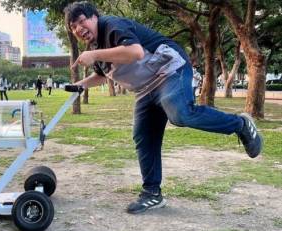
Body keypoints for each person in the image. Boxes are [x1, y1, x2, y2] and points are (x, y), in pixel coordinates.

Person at [64, 1, 263, 214]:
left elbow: (135, 52)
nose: (78, 29)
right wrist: (80, 85)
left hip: (169, 71)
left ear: (94, 17)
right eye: (73, 27)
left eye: (81, 21)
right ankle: (152, 194)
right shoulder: (95, 47)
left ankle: (241, 124)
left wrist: (94, 55)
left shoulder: (112, 25)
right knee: (144, 136)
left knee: (180, 113)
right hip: (145, 89)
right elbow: (102, 75)